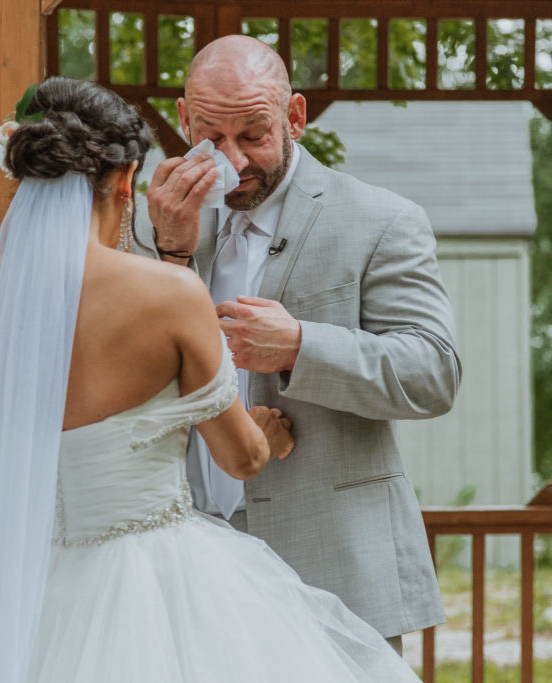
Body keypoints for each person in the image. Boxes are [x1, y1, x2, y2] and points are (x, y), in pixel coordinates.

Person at [0, 76, 420, 682]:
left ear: (22, 172)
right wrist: (266, 433)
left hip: (12, 588)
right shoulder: (169, 293)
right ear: (127, 180)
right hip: (152, 584)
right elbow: (240, 458)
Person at [143, 35, 462, 650]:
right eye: (211, 136)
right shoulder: (144, 226)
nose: (232, 160)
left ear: (295, 116)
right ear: (183, 118)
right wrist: (170, 254)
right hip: (181, 567)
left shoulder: (382, 220)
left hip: (333, 565)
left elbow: (434, 373)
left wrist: (301, 347)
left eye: (253, 135)